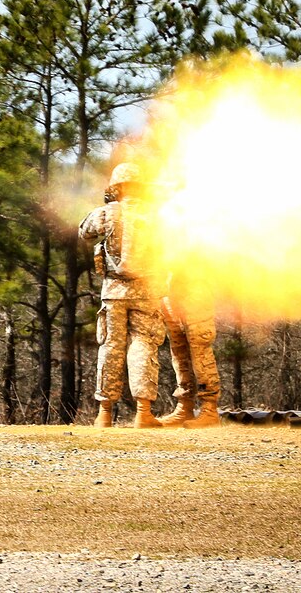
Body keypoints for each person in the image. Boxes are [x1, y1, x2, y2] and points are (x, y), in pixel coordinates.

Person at [79, 162, 166, 428]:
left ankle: (104, 413)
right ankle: (143, 413)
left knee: (111, 347)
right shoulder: (154, 216)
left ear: (116, 187)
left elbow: (84, 233)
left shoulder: (105, 213)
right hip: (146, 292)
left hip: (113, 292)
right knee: (143, 345)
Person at [156, 272, 222, 428]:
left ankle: (209, 409)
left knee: (200, 349)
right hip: (169, 289)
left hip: (195, 288)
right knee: (179, 350)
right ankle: (184, 407)